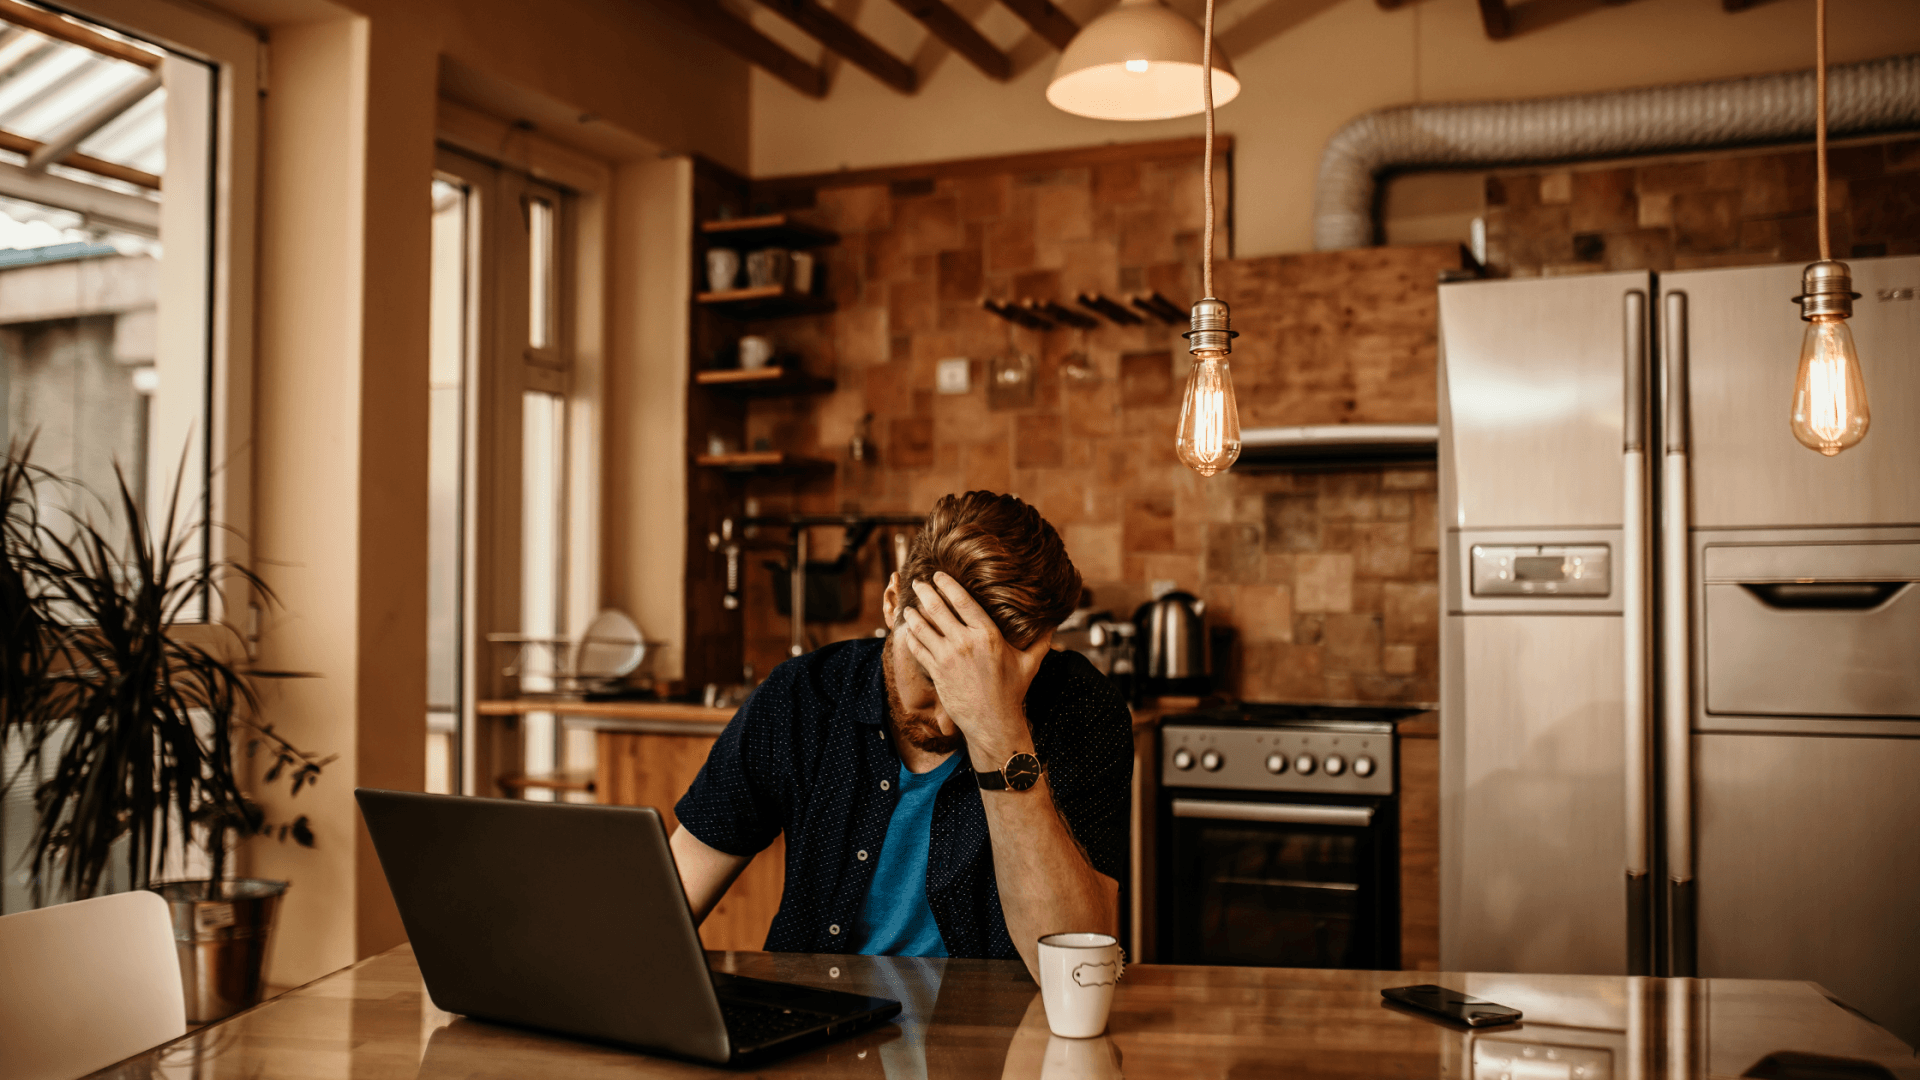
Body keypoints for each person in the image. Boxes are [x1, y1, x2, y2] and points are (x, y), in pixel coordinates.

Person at [670, 491, 1133, 981]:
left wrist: (999, 730)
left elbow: (1075, 972)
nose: (950, 720)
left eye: (985, 688)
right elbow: (670, 900)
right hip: (812, 1027)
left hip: (996, 1043)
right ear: (893, 604)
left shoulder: (1079, 709)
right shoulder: (800, 697)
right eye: (933, 677)